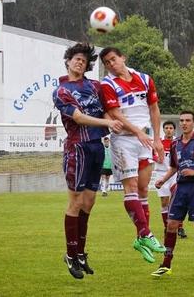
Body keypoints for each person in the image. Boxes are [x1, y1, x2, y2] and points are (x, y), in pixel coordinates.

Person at [53, 43, 123, 279]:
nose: (79, 62)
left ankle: (81, 253)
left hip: (96, 148)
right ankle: (70, 255)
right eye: (76, 58)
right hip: (77, 149)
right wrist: (107, 124)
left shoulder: (94, 86)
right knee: (75, 202)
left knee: (89, 202)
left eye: (83, 60)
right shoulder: (62, 90)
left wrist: (110, 122)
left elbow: (104, 110)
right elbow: (79, 117)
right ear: (68, 61)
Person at [99, 47, 166, 264]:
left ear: (123, 57)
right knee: (131, 187)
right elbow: (116, 113)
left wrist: (157, 139)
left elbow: (154, 109)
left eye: (113, 59)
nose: (111, 64)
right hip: (124, 141)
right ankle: (146, 233)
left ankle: (140, 239)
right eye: (106, 63)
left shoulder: (145, 79)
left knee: (144, 188)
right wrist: (137, 132)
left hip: (144, 140)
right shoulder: (107, 84)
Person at [151, 111, 194, 281]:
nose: (184, 123)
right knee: (171, 224)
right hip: (181, 188)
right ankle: (166, 265)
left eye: (188, 120)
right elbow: (174, 167)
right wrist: (163, 179)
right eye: (181, 120)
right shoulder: (175, 144)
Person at [154, 120, 187, 238]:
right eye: (166, 128)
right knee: (164, 202)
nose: (168, 130)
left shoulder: (178, 143)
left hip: (174, 174)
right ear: (163, 129)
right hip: (161, 174)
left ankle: (180, 227)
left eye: (171, 128)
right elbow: (152, 155)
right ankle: (166, 227)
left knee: (177, 200)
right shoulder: (159, 143)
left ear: (174, 130)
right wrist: (156, 158)